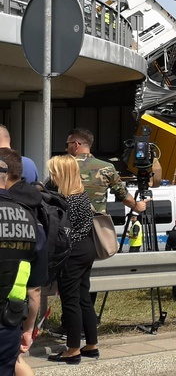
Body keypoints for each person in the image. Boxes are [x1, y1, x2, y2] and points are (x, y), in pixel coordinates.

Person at [46, 155, 98, 365]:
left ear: (61, 174)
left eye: (53, 172)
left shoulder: (66, 201)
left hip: (73, 253)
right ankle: (91, 345)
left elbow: (63, 232)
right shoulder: (82, 195)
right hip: (87, 249)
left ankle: (73, 349)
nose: (51, 176)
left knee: (71, 300)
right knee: (84, 297)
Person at [0, 159, 45, 374]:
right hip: (9, 322)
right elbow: (35, 289)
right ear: (6, 179)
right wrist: (28, 328)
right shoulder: (29, 219)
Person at [65, 128, 146, 214]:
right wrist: (136, 206)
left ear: (76, 145)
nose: (66, 149)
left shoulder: (61, 167)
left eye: (67, 145)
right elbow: (123, 195)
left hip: (67, 223)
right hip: (96, 223)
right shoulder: (107, 168)